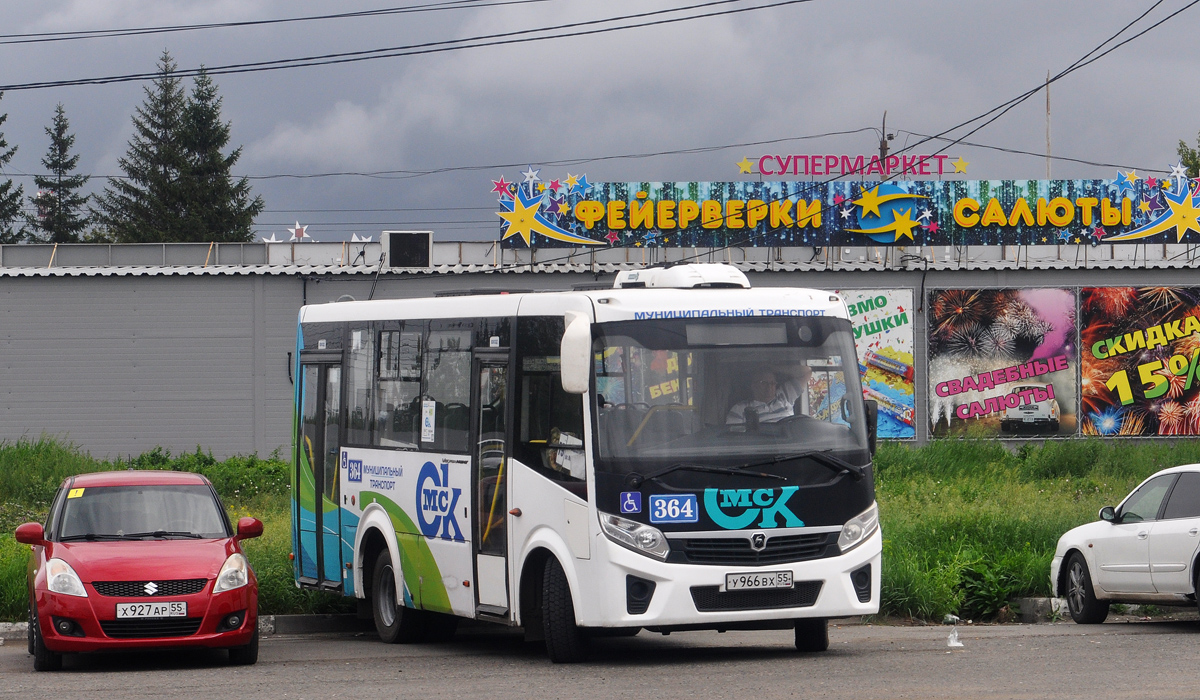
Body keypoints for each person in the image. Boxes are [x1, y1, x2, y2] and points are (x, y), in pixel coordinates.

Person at [726, 367, 807, 425]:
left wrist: (774, 368)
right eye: (764, 383)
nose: (769, 387)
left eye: (772, 383)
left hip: (788, 445)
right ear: (753, 385)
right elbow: (733, 437)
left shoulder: (784, 396)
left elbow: (806, 372)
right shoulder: (739, 409)